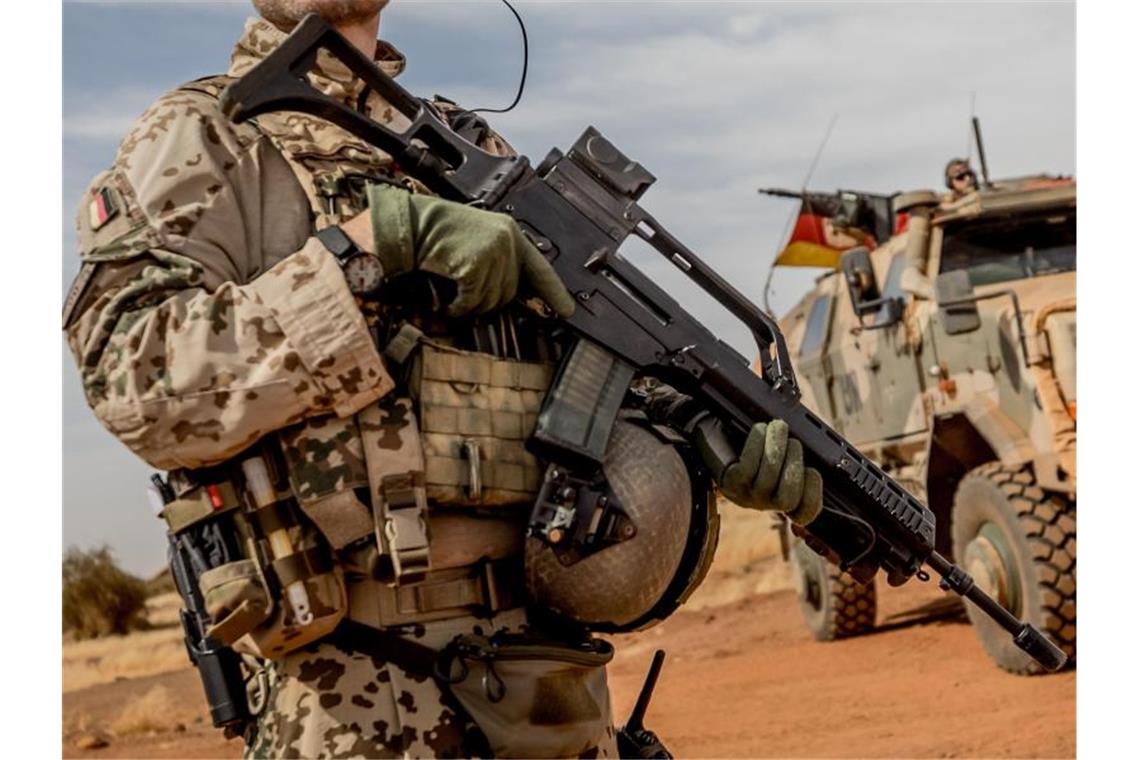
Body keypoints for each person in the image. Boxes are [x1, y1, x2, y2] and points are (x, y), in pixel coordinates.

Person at [63, 2, 823, 757]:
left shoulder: (472, 148)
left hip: (551, 687)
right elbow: (136, 382)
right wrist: (368, 249)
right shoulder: (202, 138)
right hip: (351, 701)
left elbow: (581, 380)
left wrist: (696, 438)